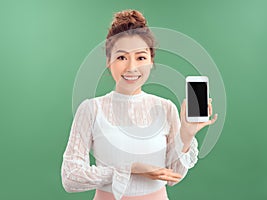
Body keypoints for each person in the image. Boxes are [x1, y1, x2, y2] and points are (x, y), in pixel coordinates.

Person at [61, 9, 218, 200]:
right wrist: (129, 169)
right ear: (108, 61)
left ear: (151, 61)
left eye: (141, 57)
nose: (131, 68)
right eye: (121, 57)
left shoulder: (166, 107)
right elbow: (70, 177)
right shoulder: (91, 109)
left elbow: (173, 177)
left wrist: (186, 135)